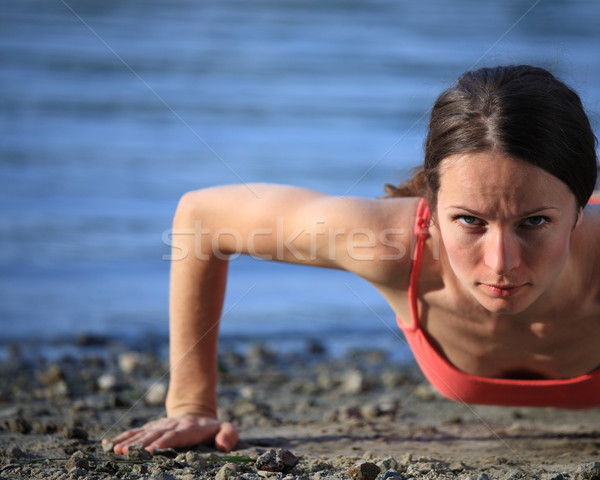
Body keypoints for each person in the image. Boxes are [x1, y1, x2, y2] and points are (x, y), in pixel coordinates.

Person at [105, 65, 600, 455]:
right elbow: (202, 219)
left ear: (581, 206)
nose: (501, 262)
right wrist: (191, 404)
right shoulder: (390, 244)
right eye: (470, 221)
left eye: (533, 223)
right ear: (429, 204)